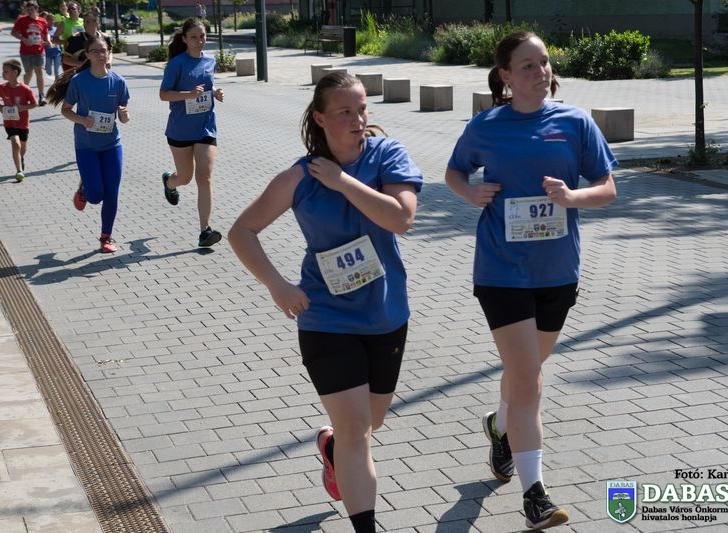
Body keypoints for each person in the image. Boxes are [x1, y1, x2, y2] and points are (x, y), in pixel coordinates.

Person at [228, 71, 422, 533]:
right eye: (345, 112)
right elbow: (241, 231)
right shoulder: (300, 176)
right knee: (356, 429)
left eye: (362, 109)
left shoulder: (387, 155)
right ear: (320, 118)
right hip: (326, 319)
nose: (358, 120)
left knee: (369, 423)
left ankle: (332, 449)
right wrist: (276, 284)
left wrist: (343, 182)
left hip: (385, 314)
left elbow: (401, 219)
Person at [444, 31, 617, 531]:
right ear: (505, 76)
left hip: (556, 270)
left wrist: (572, 198)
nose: (540, 72)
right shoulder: (486, 126)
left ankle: (500, 427)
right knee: (528, 381)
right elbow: (455, 172)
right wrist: (469, 194)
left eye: (544, 62)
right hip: (501, 269)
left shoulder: (575, 122)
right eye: (527, 66)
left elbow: (607, 187)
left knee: (526, 371)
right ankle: (534, 495)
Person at [46, 33, 130, 253]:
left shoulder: (118, 82)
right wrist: (82, 120)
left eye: (104, 51)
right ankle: (84, 190)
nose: (101, 55)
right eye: (96, 51)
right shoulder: (79, 81)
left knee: (111, 193)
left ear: (109, 53)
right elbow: (66, 110)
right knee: (95, 196)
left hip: (112, 144)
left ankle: (106, 237)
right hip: (86, 146)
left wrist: (124, 115)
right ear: (88, 55)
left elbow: (124, 116)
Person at [159, 18, 224, 248]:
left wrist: (215, 92)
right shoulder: (176, 64)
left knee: (204, 176)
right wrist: (188, 94)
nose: (199, 41)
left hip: (205, 126)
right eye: (194, 37)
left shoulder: (210, 60)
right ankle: (170, 182)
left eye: (202, 36)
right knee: (185, 178)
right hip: (180, 129)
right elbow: (164, 94)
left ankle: (205, 230)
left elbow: (207, 85)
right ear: (185, 39)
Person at [0, 58, 37, 181]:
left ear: (15, 72)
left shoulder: (25, 89)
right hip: (9, 122)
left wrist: (22, 107)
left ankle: (20, 158)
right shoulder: (1, 87)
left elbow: (35, 103)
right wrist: (0, 107)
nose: (3, 73)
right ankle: (19, 170)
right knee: (15, 143)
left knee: (22, 147)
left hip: (23, 123)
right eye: (3, 71)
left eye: (6, 71)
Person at [11, 0, 50, 105]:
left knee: (39, 72)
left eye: (32, 9)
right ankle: (25, 92)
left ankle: (41, 95)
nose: (30, 11)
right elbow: (13, 33)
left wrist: (48, 41)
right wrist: (23, 39)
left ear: (37, 9)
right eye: (28, 10)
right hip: (26, 51)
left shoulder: (42, 21)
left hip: (39, 51)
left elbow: (46, 33)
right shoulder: (22, 20)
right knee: (29, 73)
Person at [42, 10, 61, 78]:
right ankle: (46, 68)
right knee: (49, 72)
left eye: (52, 20)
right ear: (46, 21)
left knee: (56, 71)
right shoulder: (44, 30)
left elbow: (60, 40)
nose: (51, 21)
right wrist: (46, 43)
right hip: (48, 53)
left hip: (57, 52)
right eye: (49, 20)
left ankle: (57, 82)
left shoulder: (57, 29)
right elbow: (41, 41)